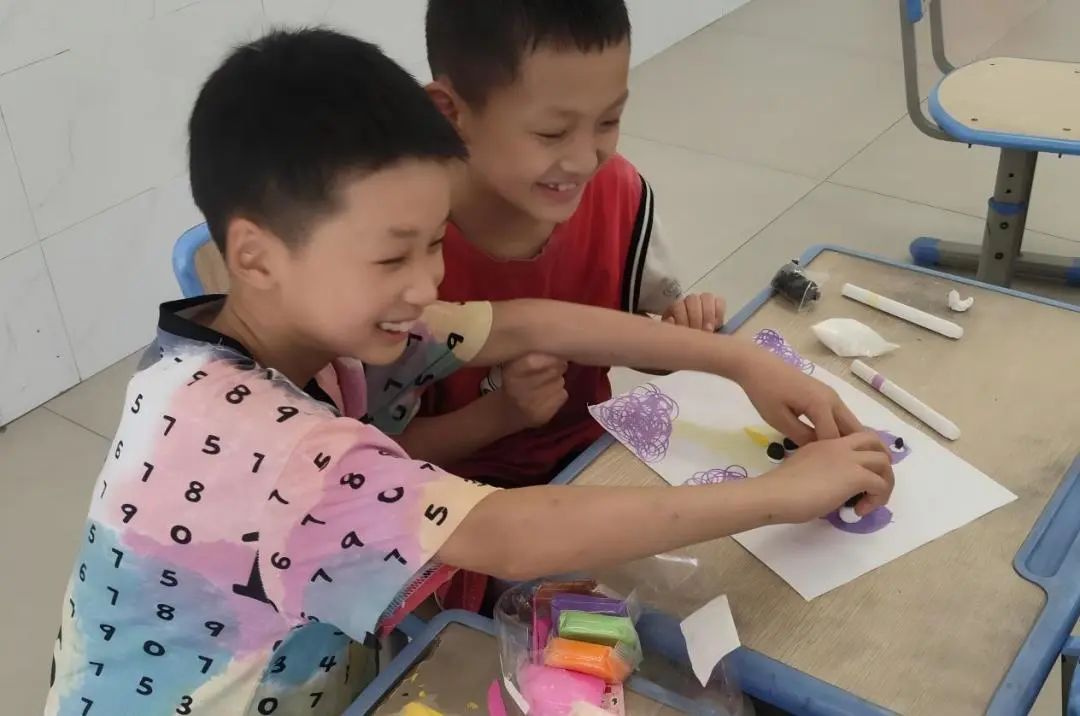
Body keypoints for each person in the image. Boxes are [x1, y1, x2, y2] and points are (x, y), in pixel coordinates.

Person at [45, 29, 893, 715]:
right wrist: (783, 494)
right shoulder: (265, 444)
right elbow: (507, 534)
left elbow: (525, 322)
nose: (427, 285)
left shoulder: (314, 324)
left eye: (434, 243)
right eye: (393, 257)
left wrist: (740, 359)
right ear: (255, 257)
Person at [407, 0, 724, 489]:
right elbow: (361, 455)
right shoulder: (393, 242)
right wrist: (501, 414)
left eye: (608, 121)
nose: (585, 160)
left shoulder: (619, 191)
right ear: (450, 113)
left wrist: (679, 340)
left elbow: (634, 333)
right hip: (444, 498)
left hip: (591, 460)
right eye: (551, 132)